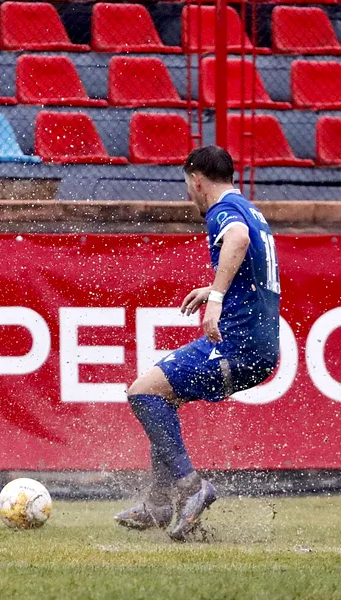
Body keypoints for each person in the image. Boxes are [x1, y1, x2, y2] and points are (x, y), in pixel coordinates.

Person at [114, 146, 281, 541]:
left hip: (237, 344)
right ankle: (158, 502)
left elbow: (237, 239)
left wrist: (217, 297)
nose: (188, 192)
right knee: (162, 398)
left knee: (143, 393)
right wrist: (215, 289)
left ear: (198, 179)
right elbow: (254, 266)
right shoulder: (250, 209)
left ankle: (191, 488)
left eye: (187, 184)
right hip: (260, 347)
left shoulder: (223, 211)